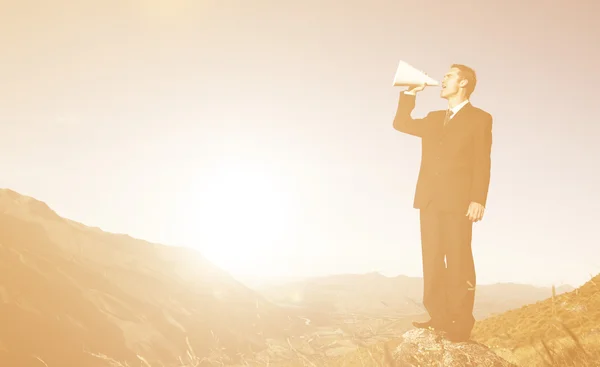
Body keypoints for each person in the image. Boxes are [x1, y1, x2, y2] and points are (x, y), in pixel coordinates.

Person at [392, 64, 493, 342]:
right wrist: (409, 94)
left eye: (449, 76)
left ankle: (460, 324)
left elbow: (482, 161)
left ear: (464, 83)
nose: (443, 79)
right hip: (429, 200)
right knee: (433, 259)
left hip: (459, 201)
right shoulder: (434, 118)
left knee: (459, 260)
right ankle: (438, 316)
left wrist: (478, 199)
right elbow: (400, 123)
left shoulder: (480, 118)